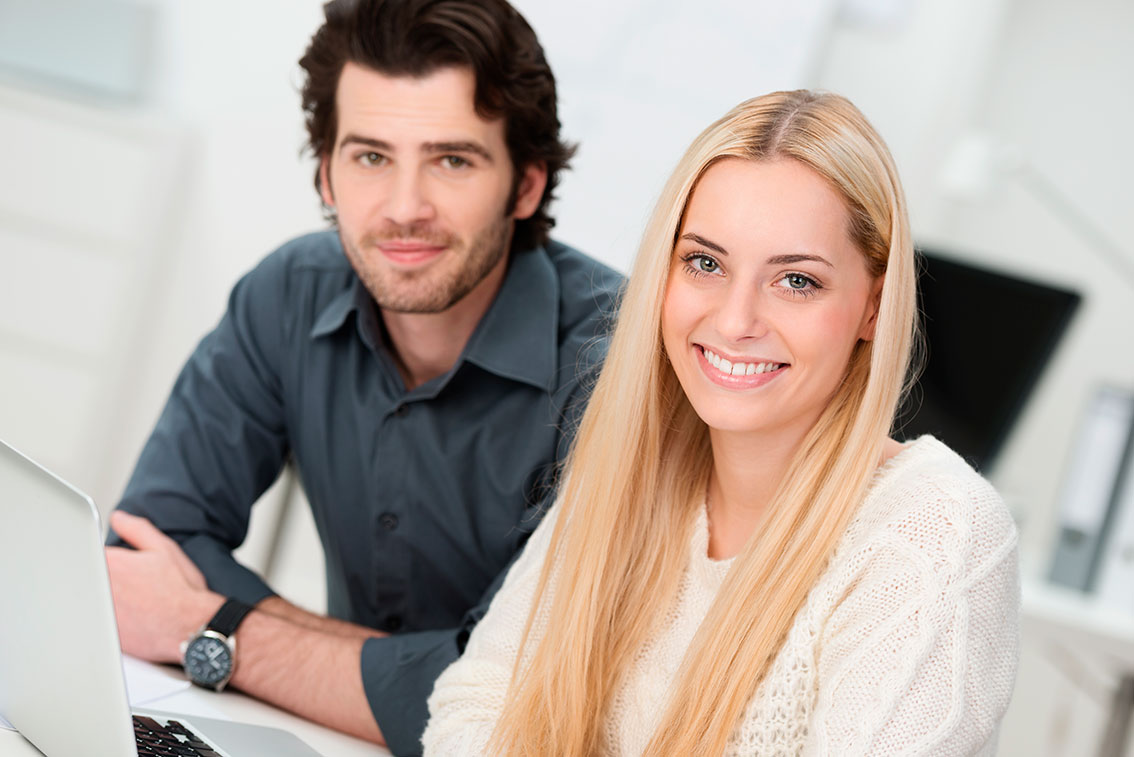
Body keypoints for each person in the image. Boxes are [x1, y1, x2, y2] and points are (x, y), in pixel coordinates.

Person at [422, 90, 1020, 756]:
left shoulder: (934, 532)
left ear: (873, 308)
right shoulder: (633, 469)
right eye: (705, 263)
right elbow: (475, 703)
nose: (736, 322)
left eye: (796, 281)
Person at [104, 0, 621, 754]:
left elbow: (516, 701)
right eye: (372, 157)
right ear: (326, 175)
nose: (405, 209)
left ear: (526, 185)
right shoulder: (289, 293)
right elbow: (142, 557)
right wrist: (364, 670)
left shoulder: (618, 370)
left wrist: (213, 628)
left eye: (452, 160)